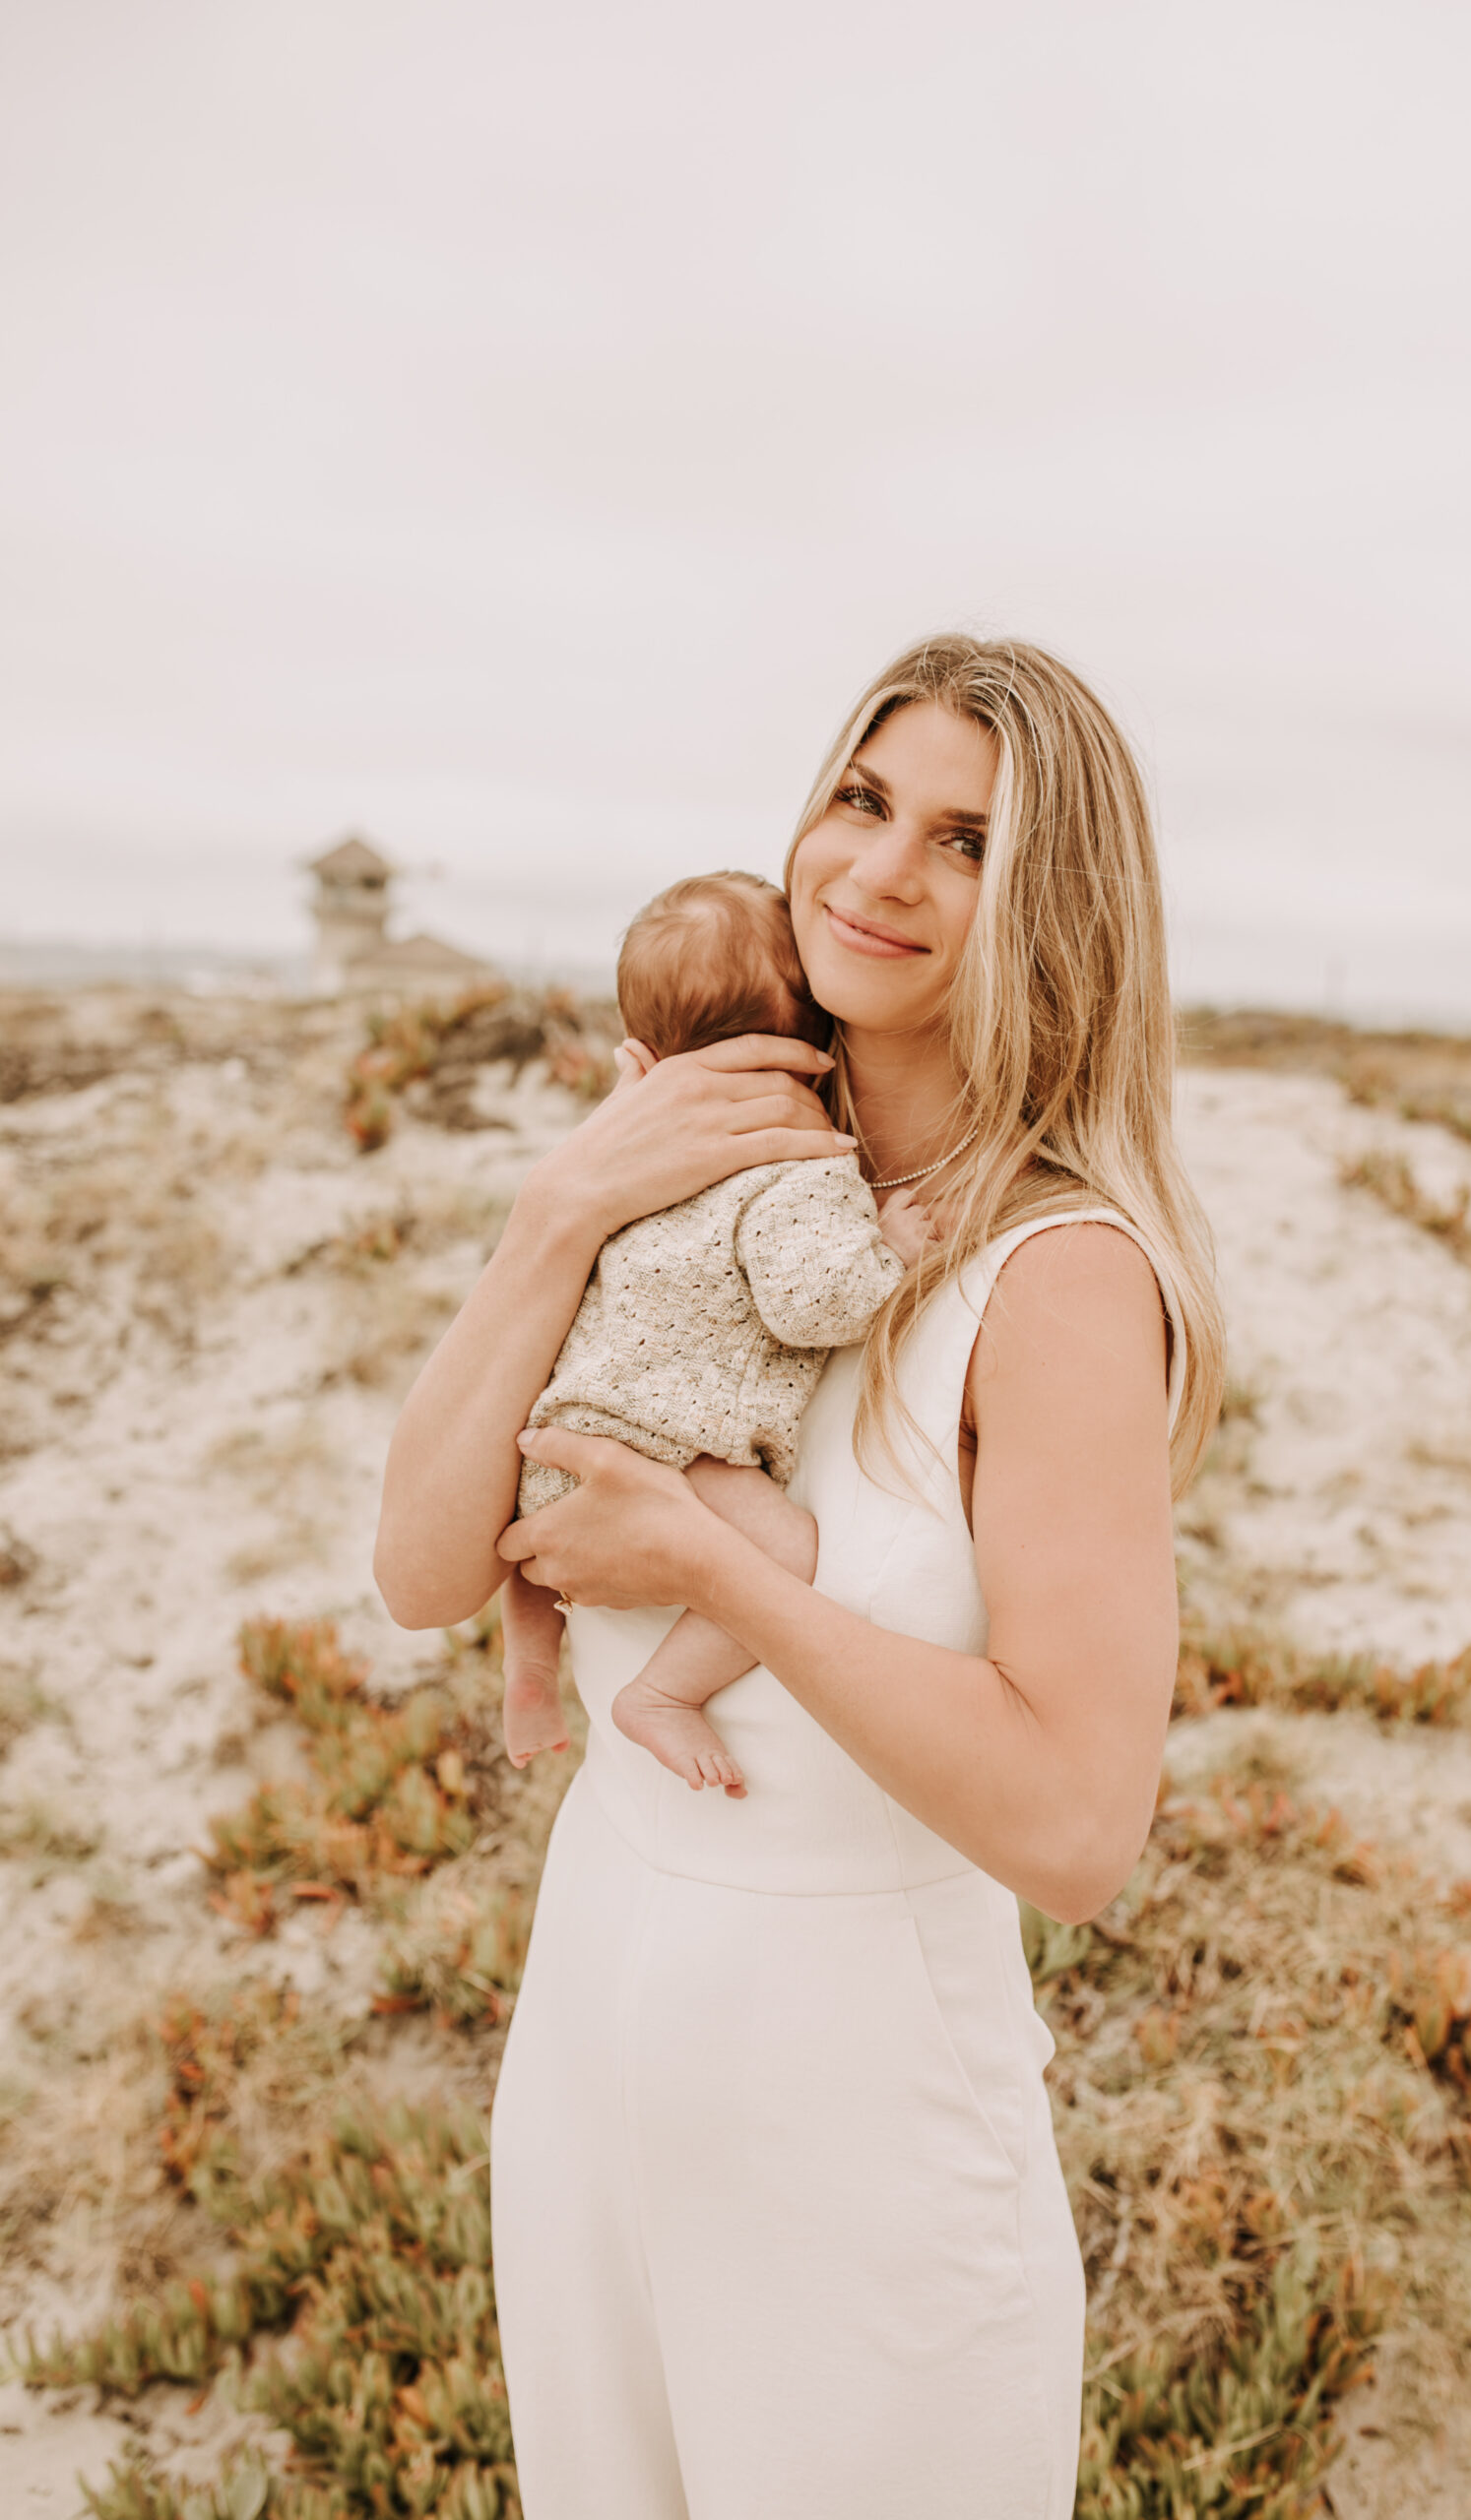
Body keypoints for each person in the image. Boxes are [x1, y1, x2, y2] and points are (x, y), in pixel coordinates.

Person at [374, 634, 1224, 2520]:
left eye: (965, 842)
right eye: (859, 799)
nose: (876, 873)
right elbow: (426, 1570)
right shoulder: (684, 1165)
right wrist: (557, 1209)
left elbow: (1081, 1830)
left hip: (858, 2126)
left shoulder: (1055, 1278)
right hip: (593, 2034)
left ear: (1053, 914)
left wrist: (702, 1568)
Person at [501, 868, 927, 1795]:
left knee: (525, 1538)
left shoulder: (628, 1155)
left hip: (554, 1438)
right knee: (791, 1558)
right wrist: (888, 1251)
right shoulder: (796, 1160)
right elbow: (809, 1304)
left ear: (644, 1062)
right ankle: (660, 1694)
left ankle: (529, 1666)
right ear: (818, 1050)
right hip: (669, 1453)